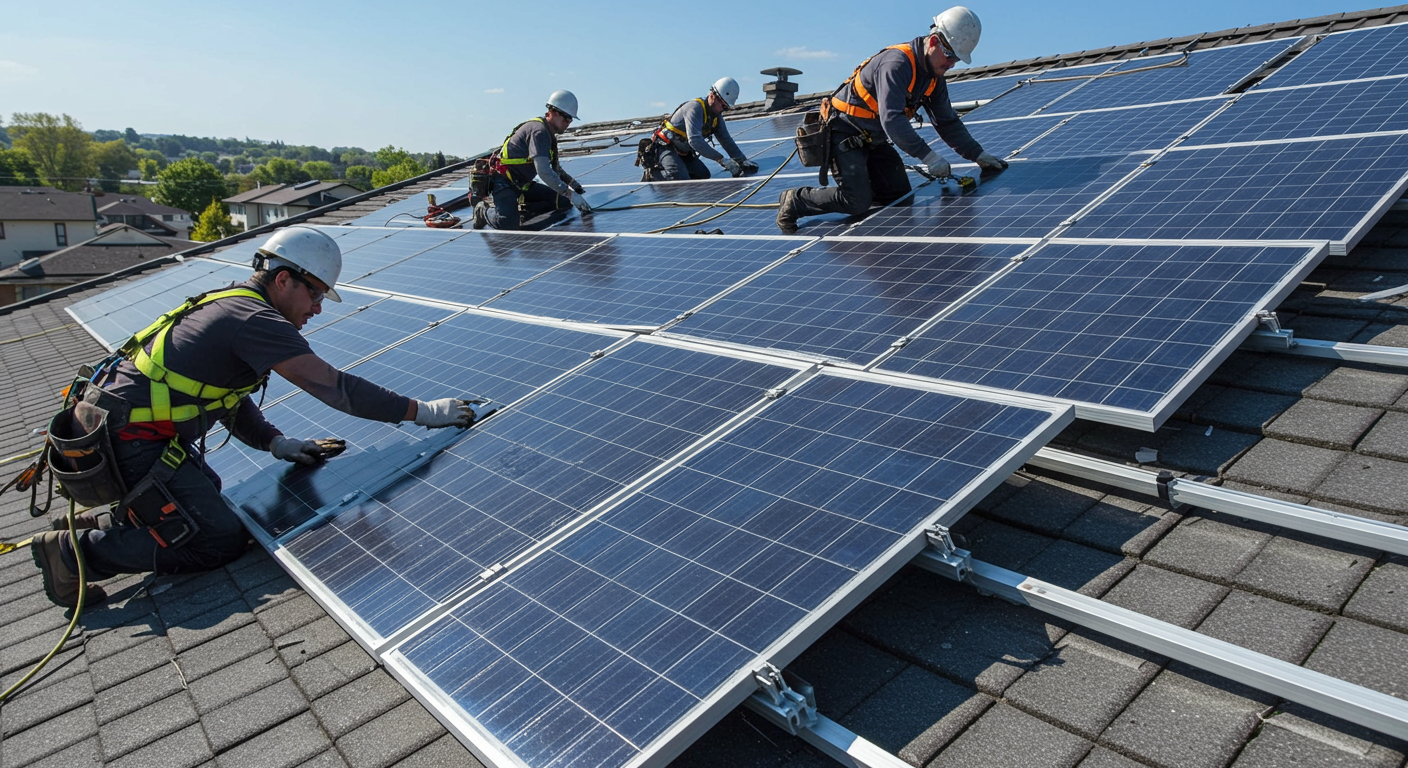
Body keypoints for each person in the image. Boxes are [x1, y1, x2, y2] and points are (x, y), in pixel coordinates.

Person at [31, 226, 485, 607]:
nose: (318, 308)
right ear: (284, 279)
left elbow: (217, 395)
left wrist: (274, 441)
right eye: (315, 293)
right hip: (124, 442)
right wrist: (423, 412)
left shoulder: (232, 303)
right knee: (218, 539)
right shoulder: (255, 319)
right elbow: (336, 388)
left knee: (206, 493)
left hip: (114, 433)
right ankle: (77, 554)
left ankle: (118, 526)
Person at [775, 6, 1009, 233]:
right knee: (856, 202)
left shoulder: (934, 78)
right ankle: (795, 200)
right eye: (949, 55)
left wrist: (977, 154)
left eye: (956, 59)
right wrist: (928, 156)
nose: (951, 64)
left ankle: (864, 192)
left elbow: (947, 121)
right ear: (935, 41)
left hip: (873, 138)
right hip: (844, 132)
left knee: (898, 195)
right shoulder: (897, 64)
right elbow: (892, 119)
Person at [473, 90, 593, 230]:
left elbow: (555, 168)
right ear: (551, 111)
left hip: (523, 184)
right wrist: (569, 194)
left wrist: (572, 184)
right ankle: (482, 211)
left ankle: (523, 208)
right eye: (565, 117)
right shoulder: (539, 132)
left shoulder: (549, 135)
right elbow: (544, 172)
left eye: (570, 119)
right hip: (504, 182)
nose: (568, 123)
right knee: (508, 223)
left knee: (563, 202)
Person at [645, 77, 759, 181]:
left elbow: (725, 139)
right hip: (665, 147)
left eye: (726, 108)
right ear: (712, 95)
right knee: (678, 177)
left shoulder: (716, 117)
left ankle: (679, 167)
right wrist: (721, 159)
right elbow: (695, 140)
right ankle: (652, 174)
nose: (722, 110)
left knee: (703, 175)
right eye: (722, 105)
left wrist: (742, 160)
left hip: (684, 152)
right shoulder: (695, 108)